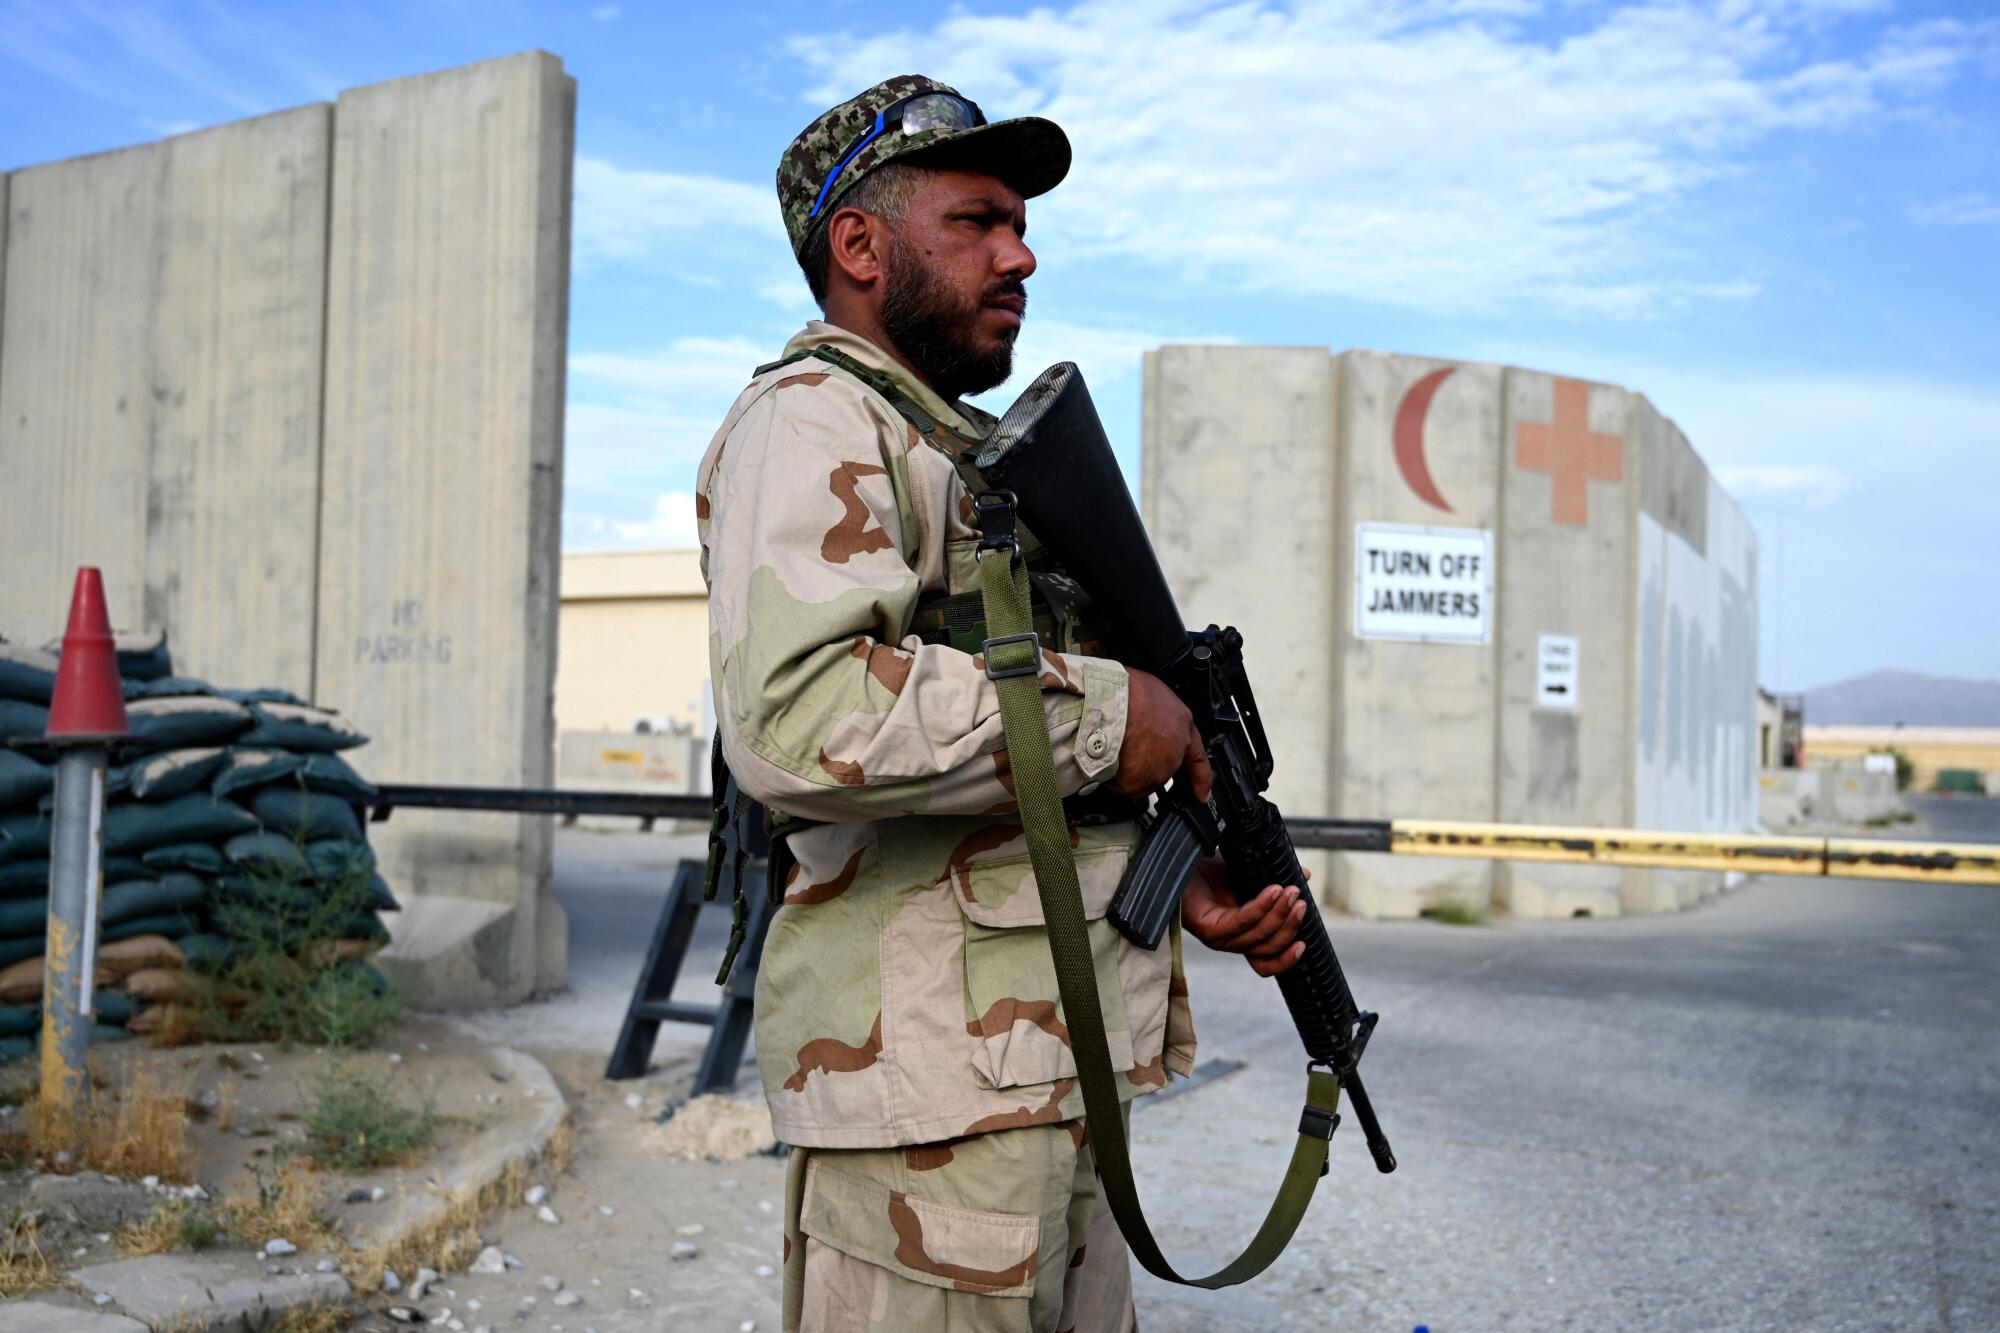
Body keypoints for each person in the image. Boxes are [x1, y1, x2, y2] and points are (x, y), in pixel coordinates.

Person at [696, 75, 1308, 1333]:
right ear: (858, 245)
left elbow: (1005, 764)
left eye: (1019, 223)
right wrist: (1111, 713)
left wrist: (1159, 868)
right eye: (976, 219)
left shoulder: (956, 450)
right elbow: (799, 716)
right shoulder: (811, 419)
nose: (1019, 253)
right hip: (925, 1095)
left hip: (1037, 1075)